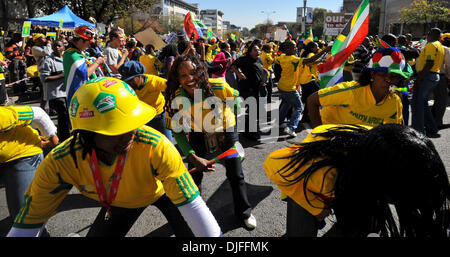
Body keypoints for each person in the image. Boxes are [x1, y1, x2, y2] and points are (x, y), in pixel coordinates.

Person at [7, 77, 222, 237]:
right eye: (116, 130)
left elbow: (197, 212)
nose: (130, 134)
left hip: (164, 193)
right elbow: (27, 224)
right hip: (121, 202)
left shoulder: (156, 145)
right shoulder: (60, 161)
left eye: (132, 124)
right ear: (86, 134)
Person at [264, 123, 449, 237]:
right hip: (303, 185)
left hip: (356, 183)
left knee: (359, 229)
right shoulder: (324, 174)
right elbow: (272, 163)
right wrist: (316, 207)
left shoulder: (403, 154)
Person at [165, 54, 257, 230]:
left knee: (236, 174)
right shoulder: (176, 98)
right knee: (194, 177)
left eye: (193, 72)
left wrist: (235, 109)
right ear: (177, 78)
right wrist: (192, 157)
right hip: (198, 132)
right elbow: (177, 130)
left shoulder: (219, 86)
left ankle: (244, 213)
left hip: (226, 130)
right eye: (183, 75)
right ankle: (196, 218)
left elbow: (236, 97)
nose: (190, 78)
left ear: (201, 71)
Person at [307, 47, 412, 129]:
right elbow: (312, 100)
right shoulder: (350, 92)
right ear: (372, 74)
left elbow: (392, 132)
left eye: (395, 76)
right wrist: (320, 136)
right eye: (384, 74)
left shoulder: (395, 102)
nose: (389, 80)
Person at [0, 105, 58, 236]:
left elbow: (38, 113)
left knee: (24, 216)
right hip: (4, 156)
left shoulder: (3, 116)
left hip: (24, 155)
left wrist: (52, 136)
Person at [277, 41, 330, 137]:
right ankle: (291, 128)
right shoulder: (293, 59)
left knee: (286, 103)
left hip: (282, 86)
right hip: (289, 87)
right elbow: (311, 59)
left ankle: (280, 122)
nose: (296, 48)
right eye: (294, 47)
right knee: (299, 107)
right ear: (288, 49)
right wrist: (325, 50)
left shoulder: (283, 57)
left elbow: (309, 61)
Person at [118, 61, 172, 141]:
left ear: (140, 76)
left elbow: (172, 87)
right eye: (126, 81)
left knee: (168, 141)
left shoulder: (154, 81)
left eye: (131, 80)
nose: (128, 84)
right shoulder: (126, 86)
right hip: (143, 119)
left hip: (159, 116)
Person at [411, 28, 445, 137]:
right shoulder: (439, 45)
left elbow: (429, 63)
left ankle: (419, 131)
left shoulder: (431, 45)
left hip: (427, 76)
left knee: (417, 104)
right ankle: (431, 127)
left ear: (430, 35)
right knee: (423, 104)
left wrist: (419, 78)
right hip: (433, 76)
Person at [231, 42, 267, 140]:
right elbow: (233, 65)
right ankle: (249, 133)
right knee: (252, 109)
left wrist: (263, 80)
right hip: (246, 88)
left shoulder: (259, 59)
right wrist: (239, 74)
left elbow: (260, 70)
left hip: (257, 88)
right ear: (250, 52)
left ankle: (248, 130)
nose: (258, 51)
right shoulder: (244, 59)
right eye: (255, 50)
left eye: (259, 50)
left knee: (254, 110)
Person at [63, 26, 106, 102]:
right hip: (77, 97)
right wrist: (97, 62)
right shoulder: (73, 55)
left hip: (80, 94)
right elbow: (85, 73)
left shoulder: (74, 52)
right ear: (80, 40)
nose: (89, 45)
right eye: (89, 42)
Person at [39, 40, 71, 141]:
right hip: (56, 94)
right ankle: (64, 138)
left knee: (68, 115)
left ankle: (66, 135)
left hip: (67, 92)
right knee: (63, 115)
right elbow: (44, 78)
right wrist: (61, 75)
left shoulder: (67, 58)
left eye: (59, 46)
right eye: (55, 46)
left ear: (63, 47)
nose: (57, 48)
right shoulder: (48, 61)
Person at [431, 33, 450, 130]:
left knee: (434, 100)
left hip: (425, 77)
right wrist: (448, 77)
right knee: (442, 100)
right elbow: (448, 65)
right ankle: (437, 122)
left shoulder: (426, 48)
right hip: (439, 76)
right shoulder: (445, 49)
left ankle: (431, 120)